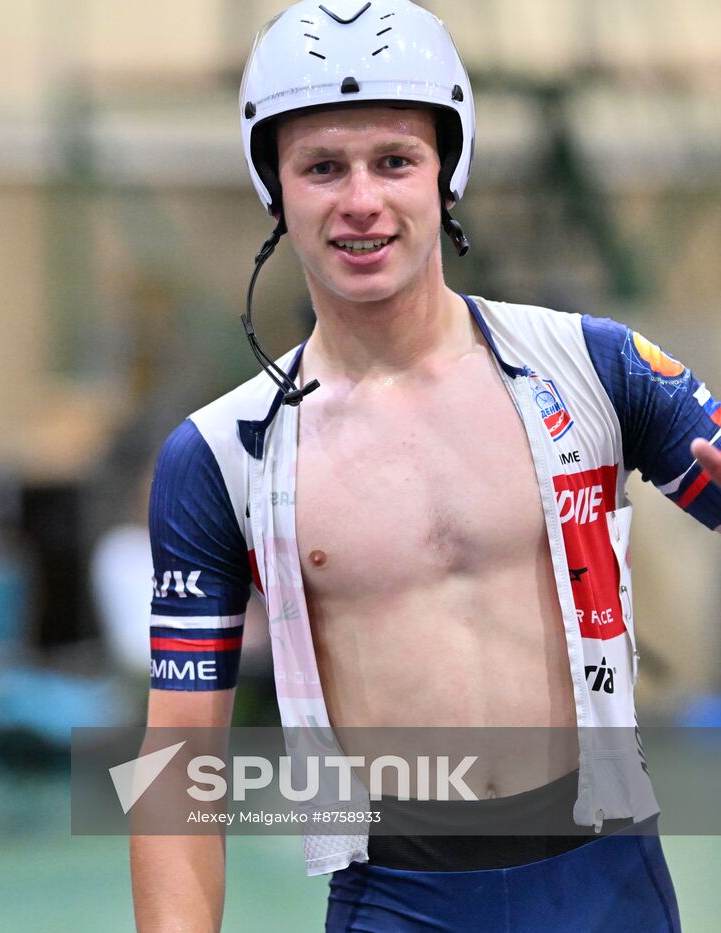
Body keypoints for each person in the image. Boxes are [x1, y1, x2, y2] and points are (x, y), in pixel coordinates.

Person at [131, 1, 721, 930]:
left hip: (608, 888)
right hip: (401, 901)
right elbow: (176, 766)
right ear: (274, 189)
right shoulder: (219, 457)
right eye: (322, 167)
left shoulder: (595, 368)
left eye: (394, 162)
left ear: (447, 176)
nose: (360, 200)